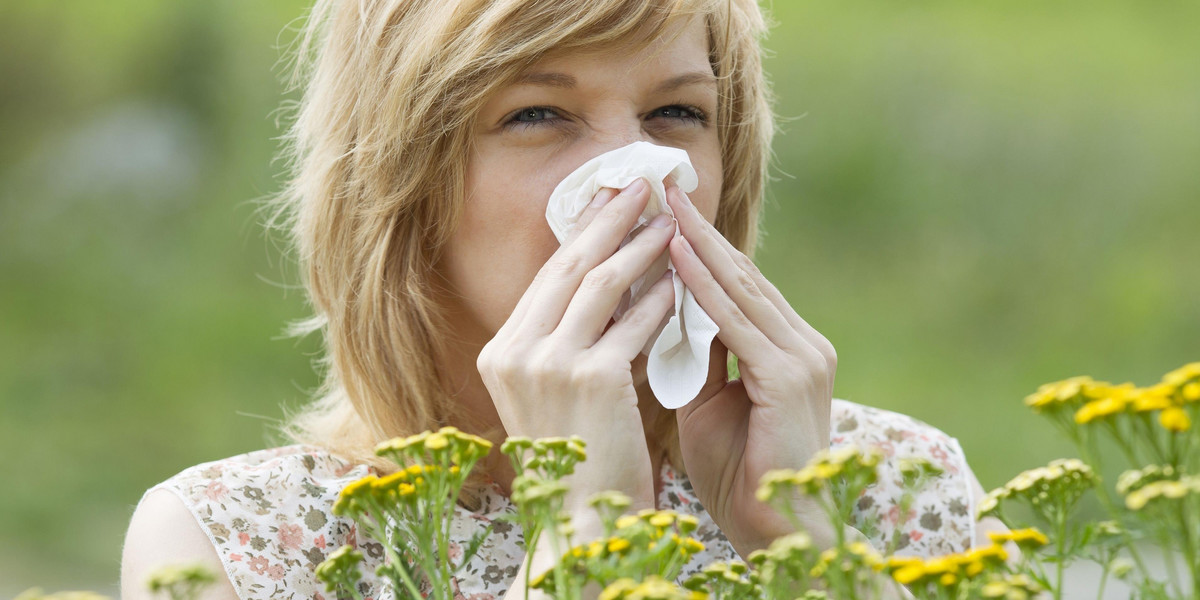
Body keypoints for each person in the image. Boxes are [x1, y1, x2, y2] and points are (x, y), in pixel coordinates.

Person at [121, 0, 1006, 598]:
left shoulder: (893, 483)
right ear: (403, 185)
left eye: (677, 116)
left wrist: (807, 550)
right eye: (538, 115)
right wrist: (582, 536)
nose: (641, 180)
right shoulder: (246, 546)